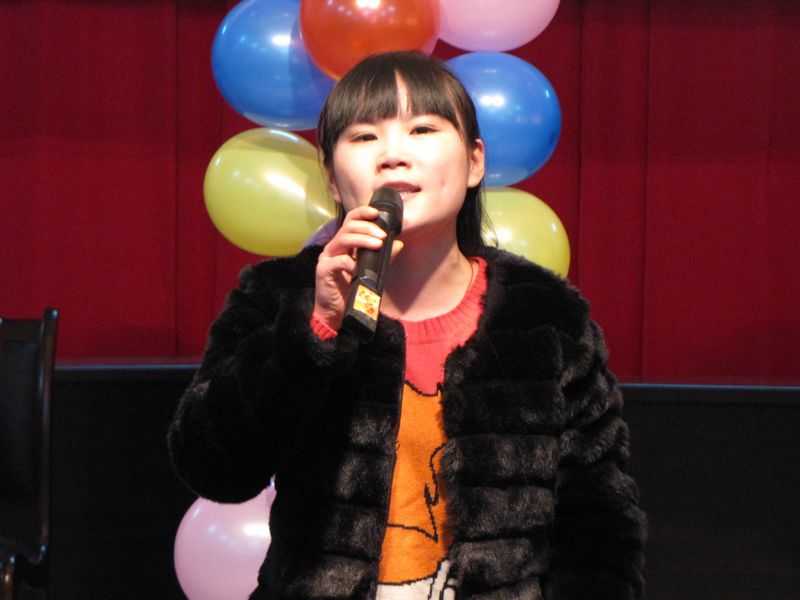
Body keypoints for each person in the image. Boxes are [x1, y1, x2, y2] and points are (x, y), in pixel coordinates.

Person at [168, 51, 646, 600]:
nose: (393, 155)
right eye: (364, 136)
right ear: (331, 176)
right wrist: (314, 330)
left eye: (422, 129)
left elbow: (597, 521)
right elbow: (214, 468)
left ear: (474, 163)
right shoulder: (277, 297)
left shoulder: (545, 316)